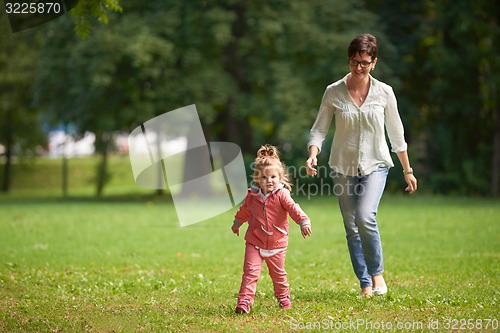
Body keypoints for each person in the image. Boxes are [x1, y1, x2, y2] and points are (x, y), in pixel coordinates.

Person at [305, 33, 417, 298]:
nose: (358, 68)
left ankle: (377, 275)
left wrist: (407, 170)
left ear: (374, 62)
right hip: (342, 166)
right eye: (354, 62)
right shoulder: (333, 91)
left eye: (364, 63)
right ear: (349, 61)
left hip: (376, 164)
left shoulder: (384, 93)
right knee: (351, 225)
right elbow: (319, 129)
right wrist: (313, 154)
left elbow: (397, 134)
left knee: (365, 216)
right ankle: (365, 284)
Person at [231, 144, 312, 313]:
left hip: (277, 244)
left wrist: (303, 221)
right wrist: (237, 223)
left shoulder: (282, 194)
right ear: (257, 179)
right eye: (264, 177)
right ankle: (244, 302)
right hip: (255, 241)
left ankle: (283, 298)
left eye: (273, 177)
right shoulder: (252, 196)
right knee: (250, 273)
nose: (269, 181)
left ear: (280, 177)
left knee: (278, 275)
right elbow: (244, 210)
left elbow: (293, 208)